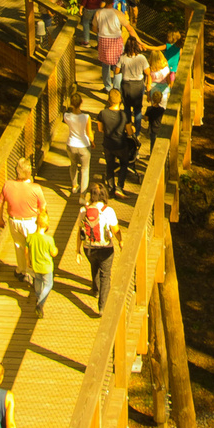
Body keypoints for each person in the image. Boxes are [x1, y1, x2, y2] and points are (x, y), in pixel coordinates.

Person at [73, 183, 122, 314]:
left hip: (88, 247)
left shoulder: (84, 211)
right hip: (105, 248)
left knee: (94, 265)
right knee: (105, 275)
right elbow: (115, 230)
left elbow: (79, 231)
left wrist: (78, 250)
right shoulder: (108, 211)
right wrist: (120, 241)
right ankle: (102, 307)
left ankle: (95, 289)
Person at [0, 158, 46, 283]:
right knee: (32, 247)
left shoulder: (8, 185)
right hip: (31, 222)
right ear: (29, 172)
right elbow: (43, 208)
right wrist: (44, 224)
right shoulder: (36, 188)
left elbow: (0, 202)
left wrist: (0, 218)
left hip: (14, 221)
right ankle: (33, 273)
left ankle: (21, 270)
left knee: (18, 245)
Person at [95, 89, 128, 194]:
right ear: (120, 100)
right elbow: (130, 131)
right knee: (124, 163)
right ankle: (120, 186)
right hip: (121, 144)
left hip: (108, 144)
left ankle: (110, 188)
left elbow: (100, 129)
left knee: (109, 165)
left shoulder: (103, 113)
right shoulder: (124, 115)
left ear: (109, 100)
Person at [25, 219, 57, 318]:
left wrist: (28, 261)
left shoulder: (30, 237)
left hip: (35, 265)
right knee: (48, 284)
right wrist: (56, 249)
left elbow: (26, 251)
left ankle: (38, 296)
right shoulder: (49, 239)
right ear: (46, 225)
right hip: (46, 267)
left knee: (38, 281)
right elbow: (53, 253)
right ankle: (40, 303)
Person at [93, 0, 125, 90]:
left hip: (104, 40)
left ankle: (107, 87)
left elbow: (94, 28)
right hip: (116, 40)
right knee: (117, 65)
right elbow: (128, 26)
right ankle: (116, 88)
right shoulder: (118, 13)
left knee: (105, 65)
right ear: (113, 2)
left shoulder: (99, 13)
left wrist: (102, 31)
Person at [64, 93, 93, 197]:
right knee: (85, 169)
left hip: (71, 144)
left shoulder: (66, 116)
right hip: (84, 145)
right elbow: (89, 133)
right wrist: (92, 142)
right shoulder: (86, 117)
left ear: (71, 104)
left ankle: (74, 185)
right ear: (81, 103)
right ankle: (83, 195)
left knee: (73, 164)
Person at [117, 36, 150, 124]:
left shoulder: (123, 57)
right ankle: (137, 131)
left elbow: (116, 71)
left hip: (126, 84)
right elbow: (148, 72)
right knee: (138, 108)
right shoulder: (142, 58)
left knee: (126, 107)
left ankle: (128, 127)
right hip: (138, 84)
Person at [144, 81, 168, 149]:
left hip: (152, 129)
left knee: (152, 143)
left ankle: (151, 154)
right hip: (160, 128)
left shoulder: (149, 109)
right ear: (160, 100)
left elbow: (146, 119)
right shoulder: (162, 110)